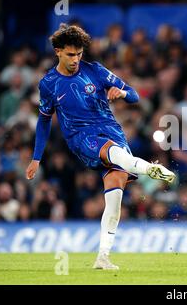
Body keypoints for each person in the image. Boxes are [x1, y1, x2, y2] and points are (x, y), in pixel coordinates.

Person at [25, 24, 175, 270]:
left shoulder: (95, 71)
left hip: (112, 130)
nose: (76, 59)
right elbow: (43, 121)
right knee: (115, 155)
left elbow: (135, 94)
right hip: (81, 136)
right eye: (71, 54)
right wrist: (36, 157)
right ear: (58, 52)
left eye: (79, 54)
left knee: (115, 199)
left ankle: (102, 257)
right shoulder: (49, 83)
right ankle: (151, 168)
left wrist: (122, 93)